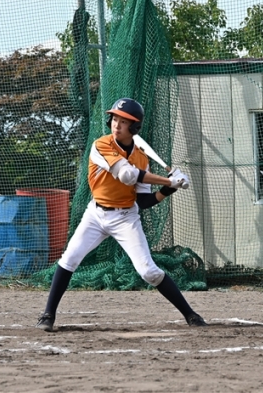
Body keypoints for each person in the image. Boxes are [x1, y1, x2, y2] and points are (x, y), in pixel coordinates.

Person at [36, 97, 207, 331]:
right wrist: (168, 180)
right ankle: (48, 315)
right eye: (115, 119)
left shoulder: (142, 158)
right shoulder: (101, 145)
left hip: (126, 217)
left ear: (134, 127)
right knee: (70, 259)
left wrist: (169, 189)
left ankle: (191, 315)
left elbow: (144, 201)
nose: (117, 124)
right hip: (96, 215)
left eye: (124, 121)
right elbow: (126, 175)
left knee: (149, 272)